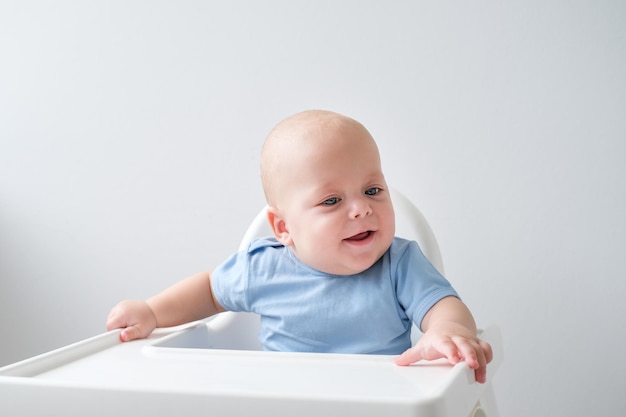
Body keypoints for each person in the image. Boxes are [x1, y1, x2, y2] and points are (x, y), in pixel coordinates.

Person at [106, 110, 493, 383]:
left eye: (373, 190)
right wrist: (152, 312)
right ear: (284, 228)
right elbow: (209, 289)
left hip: (380, 402)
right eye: (331, 201)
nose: (361, 209)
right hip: (289, 401)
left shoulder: (399, 264)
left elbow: (443, 306)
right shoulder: (263, 269)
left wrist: (447, 332)